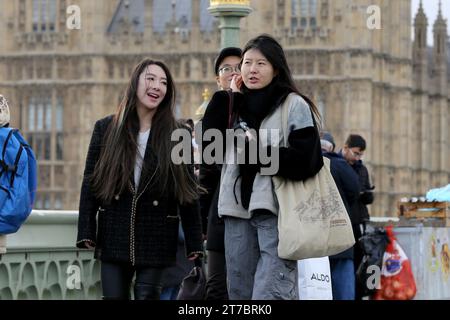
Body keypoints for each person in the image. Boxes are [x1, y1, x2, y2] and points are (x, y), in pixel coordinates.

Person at [201, 34, 323, 300]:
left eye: (261, 63)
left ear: (276, 68)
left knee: (269, 295)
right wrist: (229, 97)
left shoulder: (293, 105)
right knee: (241, 296)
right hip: (236, 215)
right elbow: (210, 150)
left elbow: (309, 160)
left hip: (275, 215)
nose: (252, 69)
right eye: (247, 63)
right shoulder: (232, 106)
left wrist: (259, 155)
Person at [76, 59, 204, 300]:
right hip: (114, 230)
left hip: (156, 234)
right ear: (135, 83)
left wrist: (195, 243)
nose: (158, 86)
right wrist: (86, 230)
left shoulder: (179, 135)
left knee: (147, 296)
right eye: (151, 79)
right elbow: (90, 182)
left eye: (164, 82)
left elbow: (187, 193)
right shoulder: (106, 128)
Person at [199, 46, 241, 300]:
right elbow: (209, 162)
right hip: (222, 210)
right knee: (219, 287)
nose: (233, 73)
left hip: (252, 213)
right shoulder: (220, 102)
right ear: (218, 78)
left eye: (239, 67)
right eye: (226, 69)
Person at [321, 132, 360, 300]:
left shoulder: (304, 163)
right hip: (340, 235)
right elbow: (354, 190)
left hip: (311, 238)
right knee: (343, 290)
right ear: (333, 148)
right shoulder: (339, 164)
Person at [340, 133, 375, 299]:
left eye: (360, 154)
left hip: (359, 222)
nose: (357, 157)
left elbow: (367, 193)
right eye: (355, 153)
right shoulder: (338, 165)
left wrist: (367, 194)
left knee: (362, 263)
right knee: (346, 264)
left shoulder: (362, 169)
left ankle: (361, 294)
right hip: (343, 222)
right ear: (345, 147)